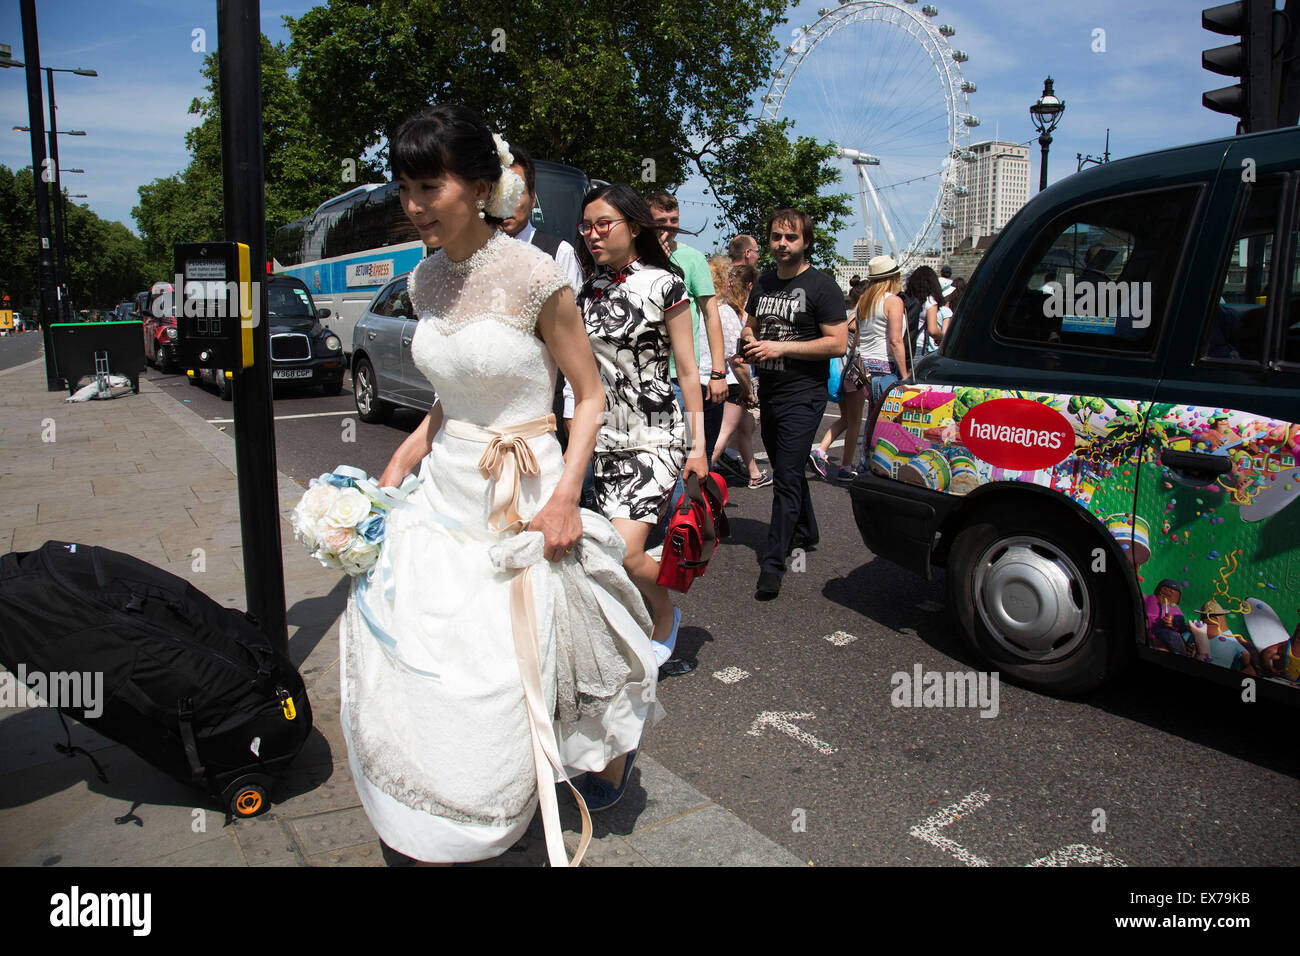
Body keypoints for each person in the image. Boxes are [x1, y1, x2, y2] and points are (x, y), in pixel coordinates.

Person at [344, 105, 660, 866]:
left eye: (428, 187)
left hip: (521, 488)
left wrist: (562, 500)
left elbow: (588, 394)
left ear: (480, 186)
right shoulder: (422, 280)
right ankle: (439, 797)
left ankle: (506, 797)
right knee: (427, 647)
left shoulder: (535, 276)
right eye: (405, 187)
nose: (412, 205)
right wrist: (403, 459)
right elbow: (453, 388)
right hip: (446, 484)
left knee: (500, 660)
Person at [575, 184, 710, 667]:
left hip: (657, 436)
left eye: (603, 224)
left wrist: (698, 446)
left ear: (633, 227)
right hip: (607, 441)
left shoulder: (665, 285)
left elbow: (689, 371)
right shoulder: (587, 293)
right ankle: (644, 611)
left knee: (623, 551)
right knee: (613, 555)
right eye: (586, 226)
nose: (593, 234)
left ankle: (664, 613)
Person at [740, 208, 847, 601]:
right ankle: (806, 532)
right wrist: (748, 341)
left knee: (785, 475)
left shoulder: (822, 286)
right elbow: (750, 324)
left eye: (790, 238)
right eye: (775, 237)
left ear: (806, 242)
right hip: (769, 389)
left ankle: (773, 562)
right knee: (789, 467)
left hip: (805, 394)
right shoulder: (765, 282)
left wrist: (781, 346)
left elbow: (837, 343)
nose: (782, 244)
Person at [647, 191, 728, 465]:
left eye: (674, 220)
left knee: (690, 457)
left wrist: (719, 372)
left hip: (683, 379)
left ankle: (693, 508)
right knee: (655, 457)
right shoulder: (635, 259)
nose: (669, 228)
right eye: (661, 221)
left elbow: (711, 314)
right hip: (646, 378)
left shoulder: (693, 259)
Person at [708, 256, 768, 488]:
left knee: (737, 428)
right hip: (728, 381)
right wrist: (749, 391)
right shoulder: (727, 313)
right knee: (717, 440)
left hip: (700, 380)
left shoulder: (702, 308)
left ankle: (753, 474)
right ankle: (687, 492)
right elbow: (737, 360)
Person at [809, 300, 866, 482]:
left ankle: (820, 450)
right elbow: (858, 344)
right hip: (855, 371)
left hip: (841, 372)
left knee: (847, 419)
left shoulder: (847, 314)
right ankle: (845, 467)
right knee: (855, 421)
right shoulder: (861, 317)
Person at [855, 255, 909, 426]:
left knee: (872, 420)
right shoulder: (893, 301)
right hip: (884, 367)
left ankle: (866, 454)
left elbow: (858, 335)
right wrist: (905, 375)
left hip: (862, 368)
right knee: (886, 425)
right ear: (893, 278)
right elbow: (895, 340)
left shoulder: (863, 300)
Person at [904, 266, 947, 358]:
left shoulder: (907, 298)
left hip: (904, 344)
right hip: (919, 345)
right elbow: (933, 330)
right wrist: (942, 337)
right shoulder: (930, 301)